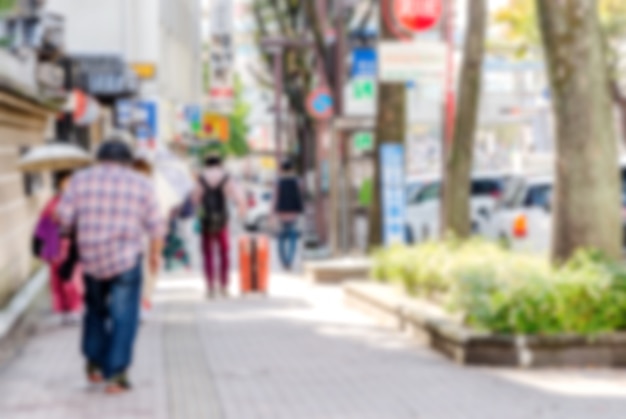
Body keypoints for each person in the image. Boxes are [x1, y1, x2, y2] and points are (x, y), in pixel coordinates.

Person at [56, 138, 164, 394]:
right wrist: (155, 255)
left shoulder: (80, 180)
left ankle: (94, 365)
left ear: (99, 158)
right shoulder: (142, 183)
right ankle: (116, 376)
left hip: (91, 257)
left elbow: (63, 217)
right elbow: (156, 226)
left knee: (95, 310)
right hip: (126, 258)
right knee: (124, 316)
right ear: (127, 161)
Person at [193, 152, 245, 298]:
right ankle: (224, 285)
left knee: (207, 253)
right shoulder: (226, 177)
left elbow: (195, 199)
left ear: (207, 163)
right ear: (219, 163)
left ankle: (210, 287)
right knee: (224, 253)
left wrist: (199, 208)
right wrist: (241, 211)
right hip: (222, 220)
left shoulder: (201, 178)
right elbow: (239, 197)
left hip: (206, 220)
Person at [34, 171, 82, 323]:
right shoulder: (53, 202)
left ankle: (75, 307)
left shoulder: (78, 201)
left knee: (73, 279)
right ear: (59, 183)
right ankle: (61, 309)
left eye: (70, 182)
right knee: (56, 279)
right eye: (65, 182)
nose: (68, 185)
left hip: (72, 245)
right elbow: (42, 223)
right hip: (55, 245)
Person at [273, 159, 305, 270]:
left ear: (282, 169)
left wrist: (272, 213)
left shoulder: (278, 182)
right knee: (292, 238)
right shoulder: (297, 181)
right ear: (292, 169)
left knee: (281, 239)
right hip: (293, 213)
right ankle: (289, 261)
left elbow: (275, 199)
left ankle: (284, 261)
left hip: (281, 213)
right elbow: (300, 194)